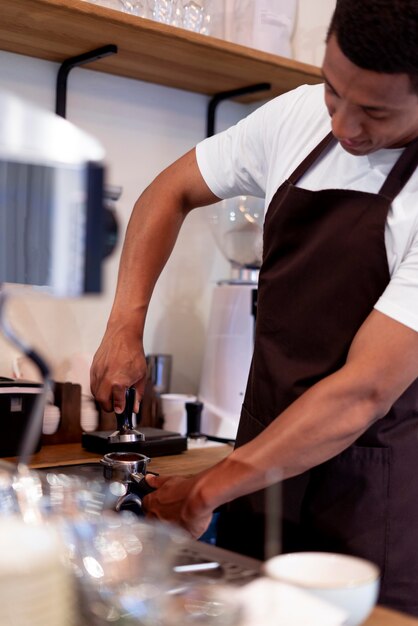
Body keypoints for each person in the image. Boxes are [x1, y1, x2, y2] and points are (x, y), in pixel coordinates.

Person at [91, 0, 418, 615]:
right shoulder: (295, 116)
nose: (344, 128)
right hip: (256, 474)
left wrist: (204, 490)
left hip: (373, 500)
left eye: (374, 112)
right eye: (332, 91)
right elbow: (170, 190)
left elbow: (362, 393)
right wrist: (124, 326)